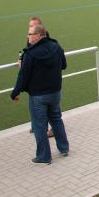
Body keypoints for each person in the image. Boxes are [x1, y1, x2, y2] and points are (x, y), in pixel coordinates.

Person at [11, 24, 70, 164]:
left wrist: (15, 92)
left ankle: (44, 156)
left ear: (38, 35)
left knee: (39, 125)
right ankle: (64, 148)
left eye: (30, 34)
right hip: (55, 92)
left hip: (38, 96)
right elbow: (64, 65)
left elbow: (23, 76)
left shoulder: (30, 54)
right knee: (56, 119)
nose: (28, 37)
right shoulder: (56, 47)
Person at [21, 17, 54, 138]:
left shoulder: (46, 37)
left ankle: (50, 128)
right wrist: (22, 58)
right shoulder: (30, 35)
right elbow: (27, 50)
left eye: (33, 26)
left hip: (45, 79)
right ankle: (36, 125)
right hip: (34, 79)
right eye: (29, 26)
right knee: (34, 104)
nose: (30, 29)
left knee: (49, 106)